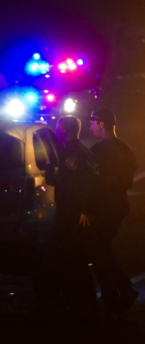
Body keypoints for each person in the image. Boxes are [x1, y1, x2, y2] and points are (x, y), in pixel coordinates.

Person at [87, 108, 139, 316]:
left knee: (99, 252)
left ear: (102, 124)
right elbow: (126, 181)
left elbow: (92, 182)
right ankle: (116, 295)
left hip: (103, 208)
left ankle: (120, 292)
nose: (90, 127)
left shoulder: (99, 151)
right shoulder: (125, 149)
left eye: (92, 123)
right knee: (102, 251)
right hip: (117, 206)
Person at [48, 116, 98, 322]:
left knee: (71, 261)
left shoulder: (71, 153)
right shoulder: (84, 150)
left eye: (58, 130)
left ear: (65, 131)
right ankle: (84, 305)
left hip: (72, 215)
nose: (57, 132)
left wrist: (85, 209)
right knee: (76, 260)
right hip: (75, 213)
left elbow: (81, 184)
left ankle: (80, 307)